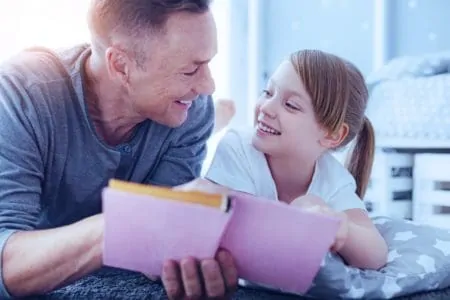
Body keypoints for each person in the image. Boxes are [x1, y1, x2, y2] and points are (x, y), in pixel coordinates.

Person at [0, 0, 237, 299]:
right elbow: (5, 260)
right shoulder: (21, 94)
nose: (208, 85)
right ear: (120, 66)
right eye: (190, 71)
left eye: (208, 63)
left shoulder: (191, 111)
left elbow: (154, 253)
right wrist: (136, 220)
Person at [205, 49, 388, 271]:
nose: (266, 107)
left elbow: (376, 255)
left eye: (290, 105)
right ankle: (215, 121)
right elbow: (238, 232)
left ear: (332, 135)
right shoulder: (238, 147)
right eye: (267, 92)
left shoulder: (334, 180)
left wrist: (338, 224)